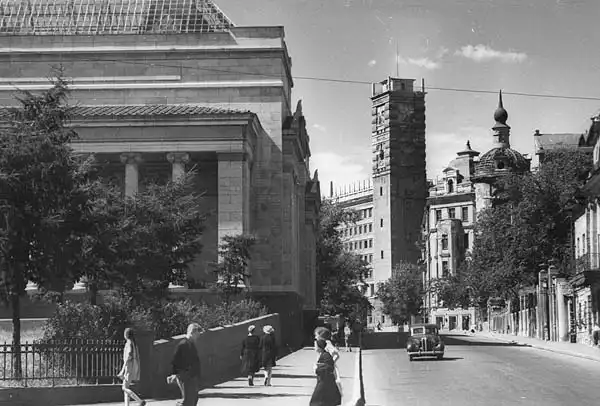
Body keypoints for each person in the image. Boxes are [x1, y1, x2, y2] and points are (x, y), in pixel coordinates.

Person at [168, 323, 202, 406]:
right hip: (184, 375)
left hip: (192, 375)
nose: (198, 336)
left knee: (194, 398)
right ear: (192, 332)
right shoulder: (183, 344)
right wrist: (174, 374)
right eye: (197, 334)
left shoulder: (191, 344)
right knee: (187, 400)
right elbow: (175, 360)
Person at [117, 328, 145, 406]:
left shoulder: (129, 343)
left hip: (129, 366)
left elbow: (128, 356)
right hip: (133, 366)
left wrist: (122, 370)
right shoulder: (133, 343)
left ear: (126, 334)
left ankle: (139, 401)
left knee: (124, 388)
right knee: (126, 388)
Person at [309, 338, 342, 406]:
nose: (314, 347)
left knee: (316, 402)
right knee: (322, 402)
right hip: (322, 381)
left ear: (319, 347)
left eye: (315, 346)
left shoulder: (326, 355)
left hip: (325, 382)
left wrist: (317, 368)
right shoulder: (321, 355)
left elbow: (329, 367)